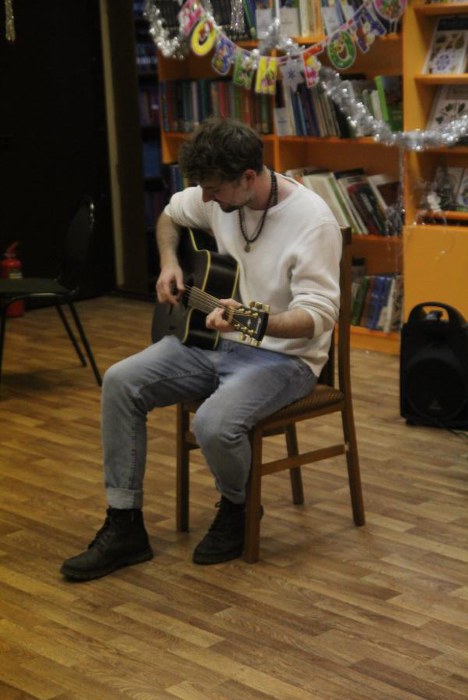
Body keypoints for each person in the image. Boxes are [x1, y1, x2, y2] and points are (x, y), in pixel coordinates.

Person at [60, 117, 341, 581]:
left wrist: (251, 319)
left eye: (212, 189)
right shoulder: (221, 196)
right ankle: (125, 525)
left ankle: (238, 507)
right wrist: (169, 262)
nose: (205, 199)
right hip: (211, 341)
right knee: (120, 381)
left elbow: (318, 317)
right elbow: (171, 215)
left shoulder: (313, 222)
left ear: (247, 177)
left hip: (285, 357)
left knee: (213, 423)